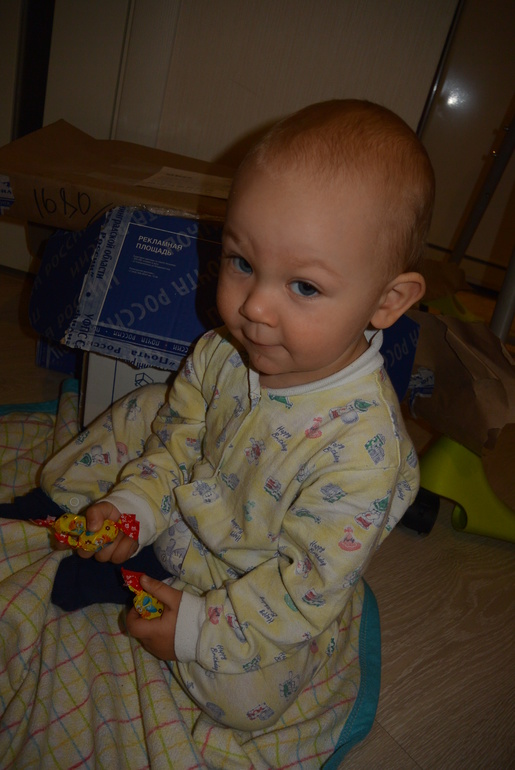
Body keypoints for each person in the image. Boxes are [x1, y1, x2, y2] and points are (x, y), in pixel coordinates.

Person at [1, 99, 433, 731]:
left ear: (388, 301)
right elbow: (174, 443)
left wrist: (200, 628)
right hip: (190, 505)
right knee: (148, 407)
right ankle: (91, 518)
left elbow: (304, 588)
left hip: (250, 574)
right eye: (243, 263)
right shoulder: (223, 352)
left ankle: (152, 584)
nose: (253, 307)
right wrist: (135, 507)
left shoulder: (364, 452)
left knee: (250, 702)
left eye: (304, 286)